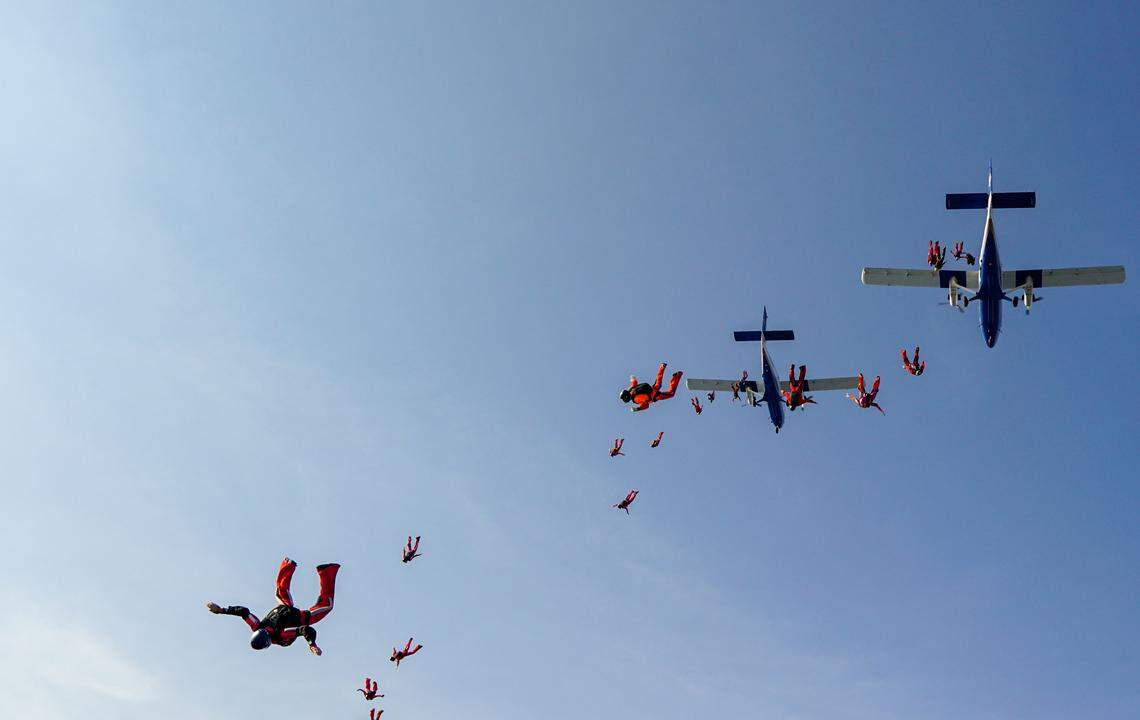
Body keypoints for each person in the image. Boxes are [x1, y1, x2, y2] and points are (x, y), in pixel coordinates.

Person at [206, 557, 339, 656]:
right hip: (301, 618)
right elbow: (306, 630)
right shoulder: (282, 635)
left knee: (280, 590)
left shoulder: (256, 626)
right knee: (326, 606)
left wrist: (222, 610)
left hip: (284, 607)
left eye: (266, 630)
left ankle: (289, 564)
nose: (268, 629)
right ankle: (326, 571)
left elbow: (244, 612)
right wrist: (312, 644)